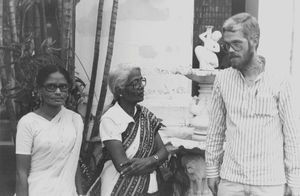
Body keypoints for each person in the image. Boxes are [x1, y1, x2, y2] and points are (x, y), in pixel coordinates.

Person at [205, 12, 300, 196]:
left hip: (269, 182)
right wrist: (212, 171)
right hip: (230, 180)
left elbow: (293, 135)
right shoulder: (222, 79)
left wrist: (294, 181)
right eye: (227, 44)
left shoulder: (281, 80)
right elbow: (215, 130)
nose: (230, 50)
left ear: (254, 40)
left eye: (237, 44)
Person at [90, 64, 168, 196]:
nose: (141, 86)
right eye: (135, 83)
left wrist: (149, 161)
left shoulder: (146, 115)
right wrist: (155, 162)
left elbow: (163, 152)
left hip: (149, 188)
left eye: (141, 80)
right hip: (118, 187)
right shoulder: (110, 119)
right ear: (120, 90)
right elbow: (123, 167)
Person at [15, 62, 84, 196]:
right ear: (40, 89)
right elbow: (21, 172)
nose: (58, 92)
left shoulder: (75, 120)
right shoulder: (28, 122)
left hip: (68, 192)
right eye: (51, 87)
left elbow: (73, 163)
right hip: (36, 191)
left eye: (63, 87)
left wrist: (81, 194)